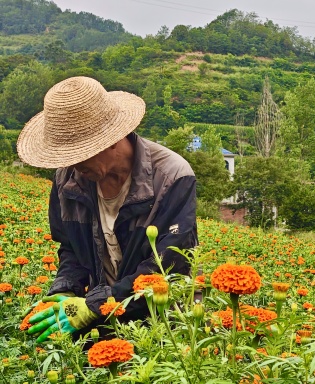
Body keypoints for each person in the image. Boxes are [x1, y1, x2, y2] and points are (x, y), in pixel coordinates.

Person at [16, 76, 198, 342]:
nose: (73, 164)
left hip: (163, 324)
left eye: (79, 153)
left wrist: (95, 305)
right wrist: (65, 291)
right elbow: (71, 250)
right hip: (103, 320)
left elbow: (169, 266)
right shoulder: (66, 179)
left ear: (112, 138)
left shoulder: (172, 177)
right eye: (65, 155)